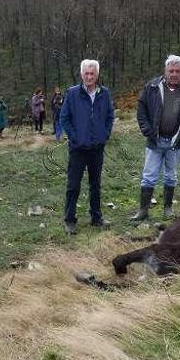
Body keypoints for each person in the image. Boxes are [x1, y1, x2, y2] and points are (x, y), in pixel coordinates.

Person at [130, 54, 180, 220]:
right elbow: (141, 107)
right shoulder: (152, 86)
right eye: (170, 70)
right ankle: (143, 211)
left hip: (176, 142)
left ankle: (168, 209)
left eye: (177, 71)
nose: (173, 74)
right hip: (154, 140)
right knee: (149, 176)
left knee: (171, 176)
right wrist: (146, 128)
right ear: (165, 71)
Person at [59, 59, 115, 234]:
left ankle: (96, 217)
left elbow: (109, 116)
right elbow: (64, 118)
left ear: (97, 75)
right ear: (81, 74)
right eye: (86, 73)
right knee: (73, 185)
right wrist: (74, 137)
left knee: (95, 184)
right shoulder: (73, 93)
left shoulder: (104, 93)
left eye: (92, 73)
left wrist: (105, 134)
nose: (89, 76)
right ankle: (69, 220)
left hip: (97, 147)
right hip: (78, 148)